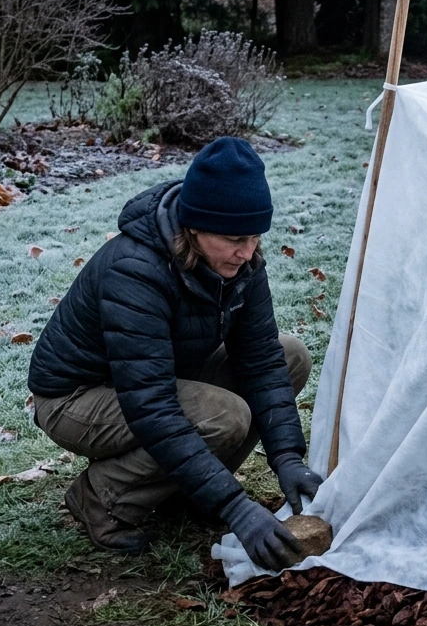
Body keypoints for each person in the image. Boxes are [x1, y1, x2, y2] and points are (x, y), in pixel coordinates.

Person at [28, 136, 323, 569]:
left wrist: (286, 458)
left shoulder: (242, 263)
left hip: (157, 377)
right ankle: (101, 498)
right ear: (195, 227)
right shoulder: (136, 269)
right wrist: (236, 507)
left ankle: (187, 491)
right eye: (234, 238)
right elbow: (152, 405)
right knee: (223, 416)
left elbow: (260, 359)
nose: (248, 251)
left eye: (256, 237)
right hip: (75, 398)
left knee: (290, 354)